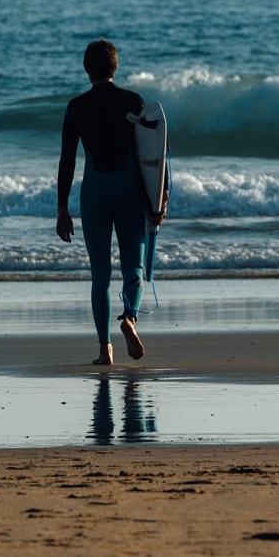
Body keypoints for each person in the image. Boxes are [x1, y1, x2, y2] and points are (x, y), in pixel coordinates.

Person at [55, 38, 161, 366]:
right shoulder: (134, 100)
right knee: (134, 268)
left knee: (99, 275)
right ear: (115, 66)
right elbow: (155, 155)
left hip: (95, 193)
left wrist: (62, 208)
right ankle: (129, 316)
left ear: (87, 70)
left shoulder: (76, 107)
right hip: (129, 191)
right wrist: (160, 201)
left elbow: (67, 161)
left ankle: (105, 350)